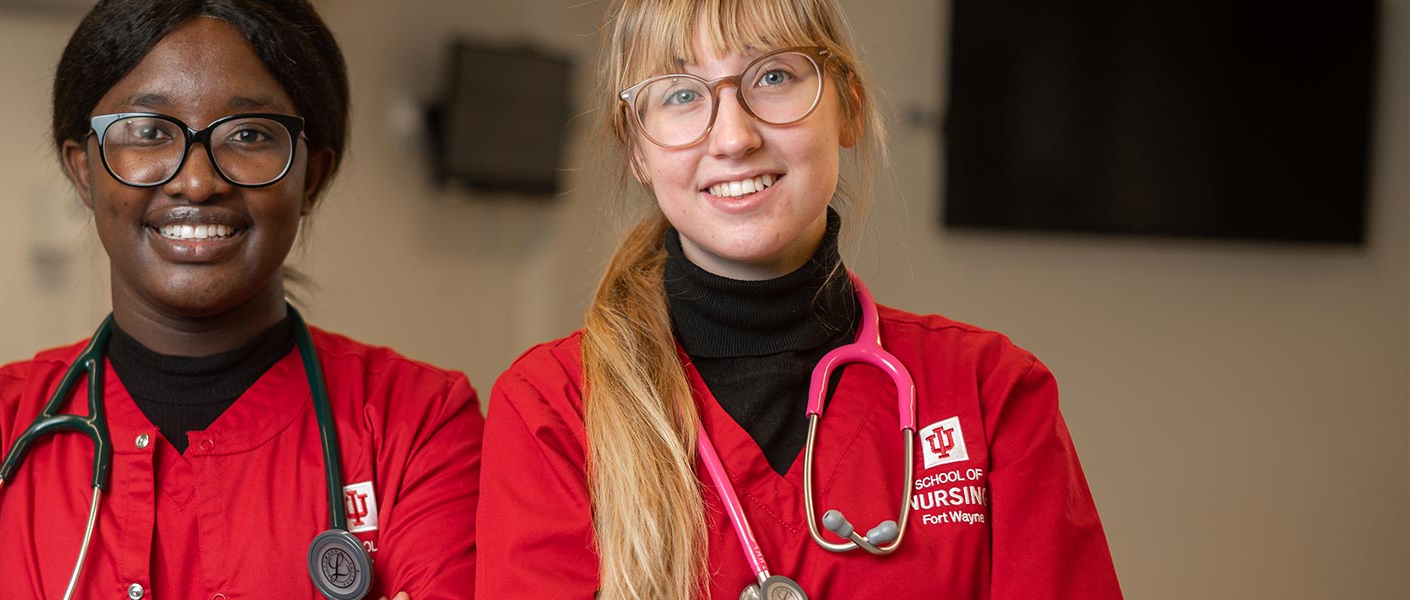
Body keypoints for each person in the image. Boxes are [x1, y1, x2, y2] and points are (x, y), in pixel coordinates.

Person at [476, 0, 1121, 598]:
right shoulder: (551, 413)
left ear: (849, 108)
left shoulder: (991, 393)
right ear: (637, 150)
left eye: (774, 77)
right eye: (680, 93)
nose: (733, 138)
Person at [0, 2, 481, 598]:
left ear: (310, 177)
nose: (197, 180)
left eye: (248, 133)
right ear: (84, 171)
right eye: (148, 132)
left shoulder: (417, 427)